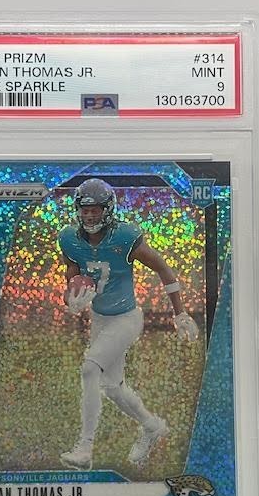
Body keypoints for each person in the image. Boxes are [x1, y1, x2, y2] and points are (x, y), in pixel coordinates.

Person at [58, 178, 198, 470]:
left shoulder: (124, 238)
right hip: (100, 319)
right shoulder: (70, 239)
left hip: (126, 318)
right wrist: (72, 300)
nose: (89, 216)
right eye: (85, 210)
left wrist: (180, 313)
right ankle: (152, 425)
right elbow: (71, 279)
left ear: (107, 210)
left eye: (95, 210)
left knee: (89, 369)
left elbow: (164, 270)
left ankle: (85, 448)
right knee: (112, 387)